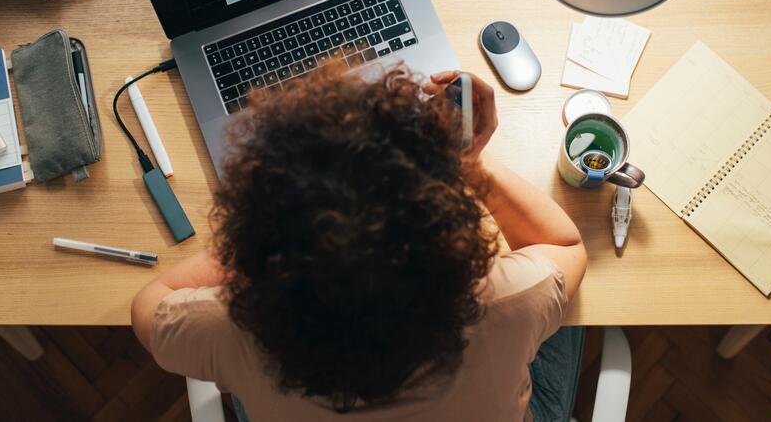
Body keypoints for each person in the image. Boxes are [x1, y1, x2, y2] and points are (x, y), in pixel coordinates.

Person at [131, 65, 588, 422]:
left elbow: (149, 304)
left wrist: (257, 233)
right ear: (448, 234)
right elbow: (566, 246)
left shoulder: (231, 330)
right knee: (573, 314)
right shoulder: (505, 301)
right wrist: (470, 165)